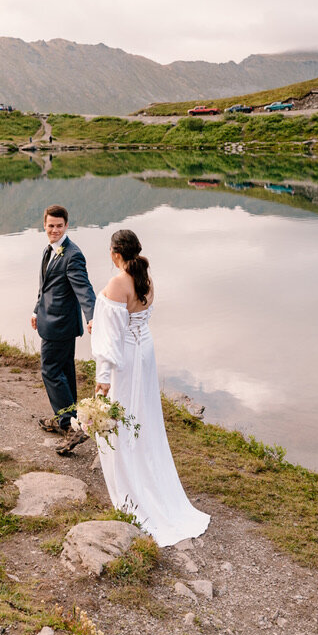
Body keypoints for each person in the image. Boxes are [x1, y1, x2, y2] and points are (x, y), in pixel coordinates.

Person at [91, 228, 210, 545]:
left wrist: (103, 381)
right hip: (144, 351)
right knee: (143, 415)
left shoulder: (119, 281)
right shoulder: (146, 277)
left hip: (127, 359)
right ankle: (148, 475)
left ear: (116, 252)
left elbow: (111, 337)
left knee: (121, 415)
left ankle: (133, 488)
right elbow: (130, 318)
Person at [31, 204, 96, 454]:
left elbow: (84, 290)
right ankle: (67, 419)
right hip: (52, 321)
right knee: (65, 372)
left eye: (59, 226)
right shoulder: (50, 250)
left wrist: (92, 317)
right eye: (50, 226)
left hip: (60, 326)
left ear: (67, 226)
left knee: (50, 370)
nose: (54, 230)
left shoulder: (72, 255)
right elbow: (45, 286)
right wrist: (37, 310)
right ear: (44, 225)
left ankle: (70, 426)